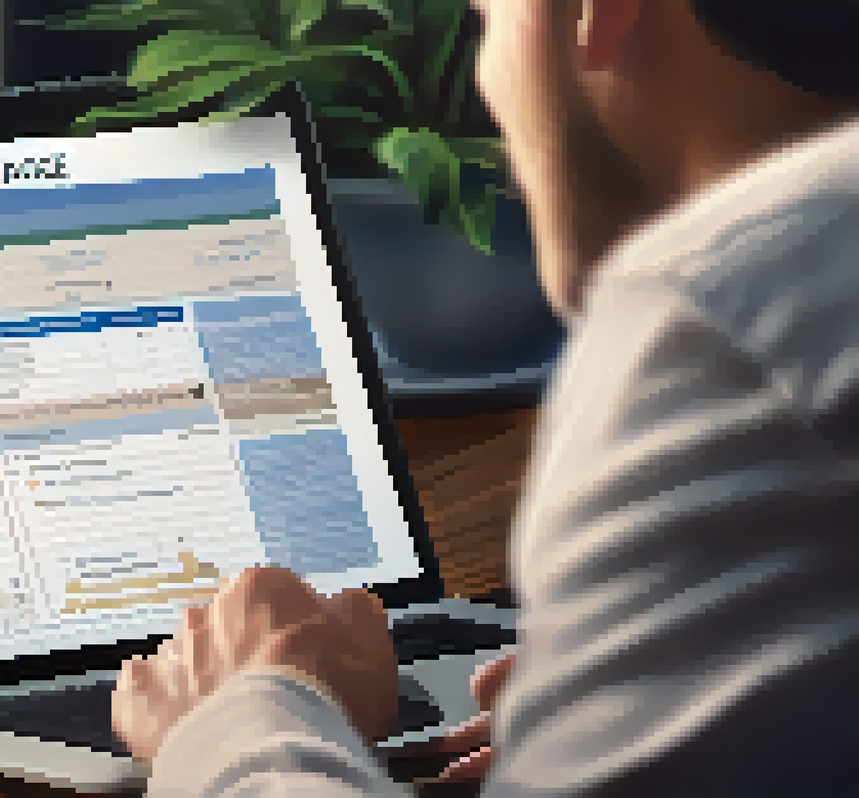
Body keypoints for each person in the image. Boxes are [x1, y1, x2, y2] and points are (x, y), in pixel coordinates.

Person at [111, 0, 859, 794]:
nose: (489, 80)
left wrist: (245, 716)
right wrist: (617, 721)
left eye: (489, 17)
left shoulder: (719, 315)